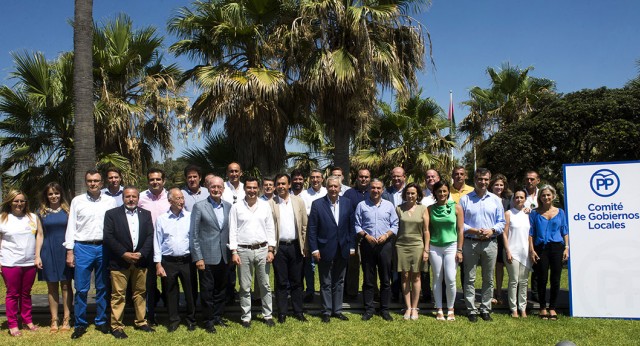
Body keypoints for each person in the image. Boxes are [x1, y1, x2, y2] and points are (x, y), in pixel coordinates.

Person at [65, 169, 118, 339]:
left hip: (104, 248)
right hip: (83, 247)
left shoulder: (110, 201)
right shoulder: (77, 201)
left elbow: (115, 227)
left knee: (102, 287)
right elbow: (71, 227)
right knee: (81, 288)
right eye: (90, 181)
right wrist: (70, 251)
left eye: (96, 181)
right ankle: (80, 323)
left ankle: (101, 321)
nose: (93, 183)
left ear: (101, 182)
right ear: (86, 182)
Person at [103, 186, 155, 339]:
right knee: (118, 295)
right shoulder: (112, 214)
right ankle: (116, 326)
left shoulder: (146, 214)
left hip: (140, 261)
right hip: (119, 261)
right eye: (127, 196)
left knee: (140, 293)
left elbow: (150, 236)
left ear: (138, 198)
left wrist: (141, 253)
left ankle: (141, 321)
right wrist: (123, 253)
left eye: (134, 196)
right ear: (122, 198)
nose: (131, 199)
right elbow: (109, 237)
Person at [229, 177, 276, 328]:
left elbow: (270, 229)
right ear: (245, 189)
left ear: (259, 189)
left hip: (262, 249)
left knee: (265, 284)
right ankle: (246, 317)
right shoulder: (236, 207)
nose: (252, 191)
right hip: (243, 250)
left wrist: (271, 249)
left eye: (255, 188)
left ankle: (267, 314)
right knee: (244, 286)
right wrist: (234, 251)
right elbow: (232, 231)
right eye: (249, 188)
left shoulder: (265, 206)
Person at [459, 168, 505, 322]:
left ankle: (485, 309)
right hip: (470, 242)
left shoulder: (495, 200)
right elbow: (460, 224)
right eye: (480, 179)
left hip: (490, 243)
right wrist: (473, 230)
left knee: (488, 278)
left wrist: (492, 231)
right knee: (469, 278)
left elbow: (501, 222)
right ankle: (471, 310)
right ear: (475, 179)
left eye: (486, 179)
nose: (483, 182)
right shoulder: (465, 199)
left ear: (489, 180)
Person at [308, 176, 355, 323]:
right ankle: (326, 311)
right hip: (324, 248)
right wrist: (314, 249)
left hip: (343, 248)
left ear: (340, 188)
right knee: (326, 282)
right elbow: (312, 229)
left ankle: (337, 310)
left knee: (339, 281)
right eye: (331, 186)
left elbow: (351, 227)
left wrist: (352, 246)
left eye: (336, 186)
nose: (333, 189)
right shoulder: (317, 204)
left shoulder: (347, 203)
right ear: (326, 187)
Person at [190, 175, 232, 333]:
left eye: (219, 187)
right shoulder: (200, 206)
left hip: (224, 256)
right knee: (207, 290)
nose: (216, 190)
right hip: (206, 257)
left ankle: (217, 316)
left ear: (223, 189)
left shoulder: (228, 206)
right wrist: (198, 257)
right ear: (208, 188)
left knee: (221, 289)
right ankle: (207, 320)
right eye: (213, 187)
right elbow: (194, 234)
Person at [356, 179, 399, 321]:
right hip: (368, 245)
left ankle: (384, 309)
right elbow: (356, 224)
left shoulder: (389, 206)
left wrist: (387, 235)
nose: (375, 190)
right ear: (369, 189)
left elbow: (395, 224)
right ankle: (369, 309)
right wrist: (365, 235)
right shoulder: (362, 205)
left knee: (385, 279)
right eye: (373, 188)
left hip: (385, 245)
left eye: (378, 188)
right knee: (368, 279)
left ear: (382, 190)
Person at [155, 188, 196, 332]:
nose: (181, 201)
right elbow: (157, 242)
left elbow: (195, 238)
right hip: (169, 261)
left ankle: (191, 319)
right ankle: (173, 319)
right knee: (170, 291)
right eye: (177, 198)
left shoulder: (191, 217)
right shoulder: (162, 219)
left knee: (190, 291)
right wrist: (158, 264)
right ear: (170, 201)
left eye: (182, 198)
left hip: (187, 260)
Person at [269, 174, 308, 323]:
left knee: (297, 281)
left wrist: (305, 246)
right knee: (281, 282)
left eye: (283, 184)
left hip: (296, 246)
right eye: (278, 184)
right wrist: (270, 249)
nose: (281, 186)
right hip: (280, 248)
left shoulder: (298, 202)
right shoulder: (270, 203)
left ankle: (298, 311)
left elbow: (305, 225)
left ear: (289, 184)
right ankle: (282, 313)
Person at [0, 190, 41, 337]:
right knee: (12, 294)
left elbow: (39, 236)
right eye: (16, 201)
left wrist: (37, 256)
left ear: (26, 202)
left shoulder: (32, 217)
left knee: (26, 293)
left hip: (29, 262)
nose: (19, 204)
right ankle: (12, 324)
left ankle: (27, 320)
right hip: (10, 262)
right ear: (10, 202)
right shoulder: (3, 218)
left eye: (22, 201)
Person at [35, 182, 73, 333]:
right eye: (50, 194)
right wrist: (37, 255)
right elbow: (39, 234)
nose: (54, 196)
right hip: (48, 251)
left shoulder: (68, 211)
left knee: (66, 285)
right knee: (51, 286)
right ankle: (54, 319)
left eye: (56, 193)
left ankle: (67, 318)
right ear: (46, 195)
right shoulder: (40, 212)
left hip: (64, 251)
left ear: (61, 194)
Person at [529, 185, 569, 320]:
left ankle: (552, 307)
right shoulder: (534, 213)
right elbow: (531, 232)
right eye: (543, 195)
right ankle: (542, 308)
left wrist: (567, 247)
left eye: (548, 195)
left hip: (557, 247)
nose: (546, 197)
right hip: (541, 248)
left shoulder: (561, 212)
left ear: (553, 196)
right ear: (540, 197)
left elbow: (564, 230)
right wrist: (532, 250)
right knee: (542, 278)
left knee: (556, 279)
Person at [138, 168, 171, 326]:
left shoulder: (170, 196)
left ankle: (171, 312)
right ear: (148, 181)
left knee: (168, 281)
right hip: (148, 246)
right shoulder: (142, 197)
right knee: (149, 283)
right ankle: (150, 315)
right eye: (152, 179)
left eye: (158, 179)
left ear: (163, 181)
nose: (155, 182)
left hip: (167, 246)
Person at [428, 181, 464, 321]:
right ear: (435, 193)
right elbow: (427, 230)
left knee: (450, 278)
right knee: (437, 277)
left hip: (451, 246)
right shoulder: (430, 209)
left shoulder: (457, 208)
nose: (442, 194)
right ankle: (439, 309)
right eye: (439, 191)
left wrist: (459, 250)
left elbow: (460, 230)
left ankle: (450, 308)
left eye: (444, 191)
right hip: (435, 247)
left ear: (448, 191)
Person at [394, 183, 428, 320]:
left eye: (413, 193)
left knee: (416, 276)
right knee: (404, 276)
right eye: (408, 193)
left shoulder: (423, 209)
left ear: (417, 195)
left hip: (417, 245)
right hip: (401, 245)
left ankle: (415, 308)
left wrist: (426, 249)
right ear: (404, 194)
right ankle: (407, 307)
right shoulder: (398, 209)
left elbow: (426, 230)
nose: (410, 196)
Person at [343, 168, 371, 301]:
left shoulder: (375, 192)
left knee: (370, 265)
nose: (364, 179)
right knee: (353, 266)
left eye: (366, 177)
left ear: (370, 178)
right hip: (354, 236)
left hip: (371, 236)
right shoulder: (349, 193)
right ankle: (351, 293)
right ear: (357, 178)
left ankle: (371, 292)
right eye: (361, 177)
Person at [503, 190, 531, 318]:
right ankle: (513, 308)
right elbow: (504, 233)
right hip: (512, 251)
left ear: (525, 199)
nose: (519, 199)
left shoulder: (529, 214)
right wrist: (507, 250)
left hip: (525, 252)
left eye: (521, 197)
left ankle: (523, 308)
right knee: (514, 280)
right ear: (513, 199)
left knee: (524, 281)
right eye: (517, 197)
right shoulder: (508, 213)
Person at [300, 169, 327, 302]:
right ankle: (310, 291)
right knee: (309, 265)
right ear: (309, 179)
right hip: (309, 232)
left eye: (318, 177)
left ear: (322, 179)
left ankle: (324, 292)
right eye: (312, 177)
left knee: (325, 264)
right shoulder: (304, 194)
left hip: (325, 233)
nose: (315, 180)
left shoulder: (327, 192)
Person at [221, 162, 244, 305]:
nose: (234, 174)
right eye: (231, 171)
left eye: (236, 171)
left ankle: (242, 296)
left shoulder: (245, 188)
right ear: (227, 173)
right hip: (225, 232)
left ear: (241, 172)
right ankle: (227, 295)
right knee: (227, 267)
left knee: (241, 267)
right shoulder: (222, 188)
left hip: (242, 233)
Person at [489, 173, 512, 306]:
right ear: (492, 186)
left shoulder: (509, 200)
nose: (498, 187)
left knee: (500, 265)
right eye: (496, 184)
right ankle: (490, 293)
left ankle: (499, 292)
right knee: (490, 266)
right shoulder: (487, 199)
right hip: (491, 235)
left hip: (504, 237)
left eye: (501, 185)